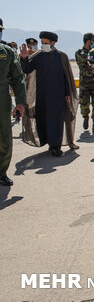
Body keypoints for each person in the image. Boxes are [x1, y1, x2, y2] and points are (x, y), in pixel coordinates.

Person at [19, 31, 79, 156]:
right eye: (42, 43)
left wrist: (67, 93)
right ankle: (48, 141)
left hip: (58, 95)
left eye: (46, 43)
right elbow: (27, 69)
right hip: (42, 96)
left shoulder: (61, 56)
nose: (44, 45)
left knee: (56, 120)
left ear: (53, 42)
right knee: (44, 119)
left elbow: (67, 76)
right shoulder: (38, 56)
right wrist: (24, 58)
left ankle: (55, 146)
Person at [0, 24, 26, 186]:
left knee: (4, 136)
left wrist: (20, 103)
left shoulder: (6, 52)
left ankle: (1, 172)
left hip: (2, 100)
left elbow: (17, 78)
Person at [75, 32, 94, 131]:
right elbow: (88, 61)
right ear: (88, 41)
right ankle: (85, 117)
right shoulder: (80, 53)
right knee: (84, 104)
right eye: (93, 41)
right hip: (84, 83)